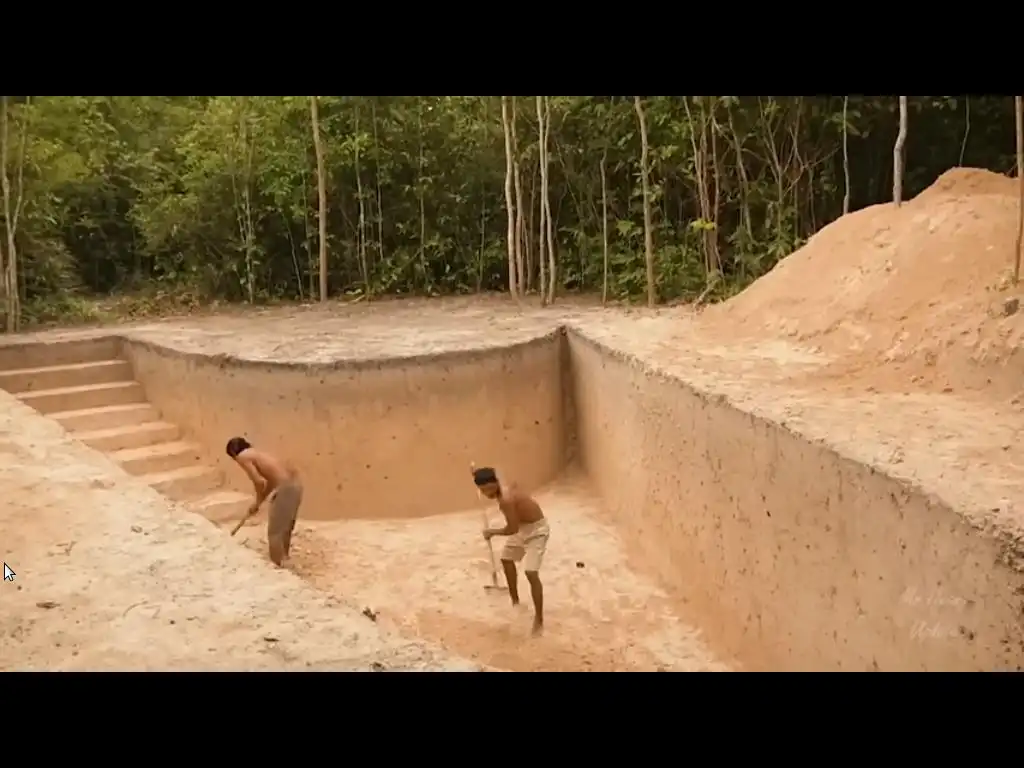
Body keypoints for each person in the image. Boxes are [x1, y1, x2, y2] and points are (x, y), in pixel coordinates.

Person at [473, 466, 550, 636]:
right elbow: (497, 471)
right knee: (506, 559)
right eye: (482, 490)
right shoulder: (500, 482)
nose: (486, 494)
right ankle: (515, 602)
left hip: (537, 531)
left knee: (531, 572)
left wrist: (492, 532)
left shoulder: (506, 501)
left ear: (495, 484)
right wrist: (476, 475)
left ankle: (539, 620)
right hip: (523, 528)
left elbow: (512, 529)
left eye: (488, 489)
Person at [226, 436, 303, 567]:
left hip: (285, 489)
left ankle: (277, 565)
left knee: (274, 532)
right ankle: (284, 558)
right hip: (296, 486)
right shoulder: (257, 454)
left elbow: (259, 482)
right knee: (285, 527)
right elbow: (271, 482)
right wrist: (258, 503)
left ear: (233, 453)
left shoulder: (243, 457)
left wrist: (257, 499)